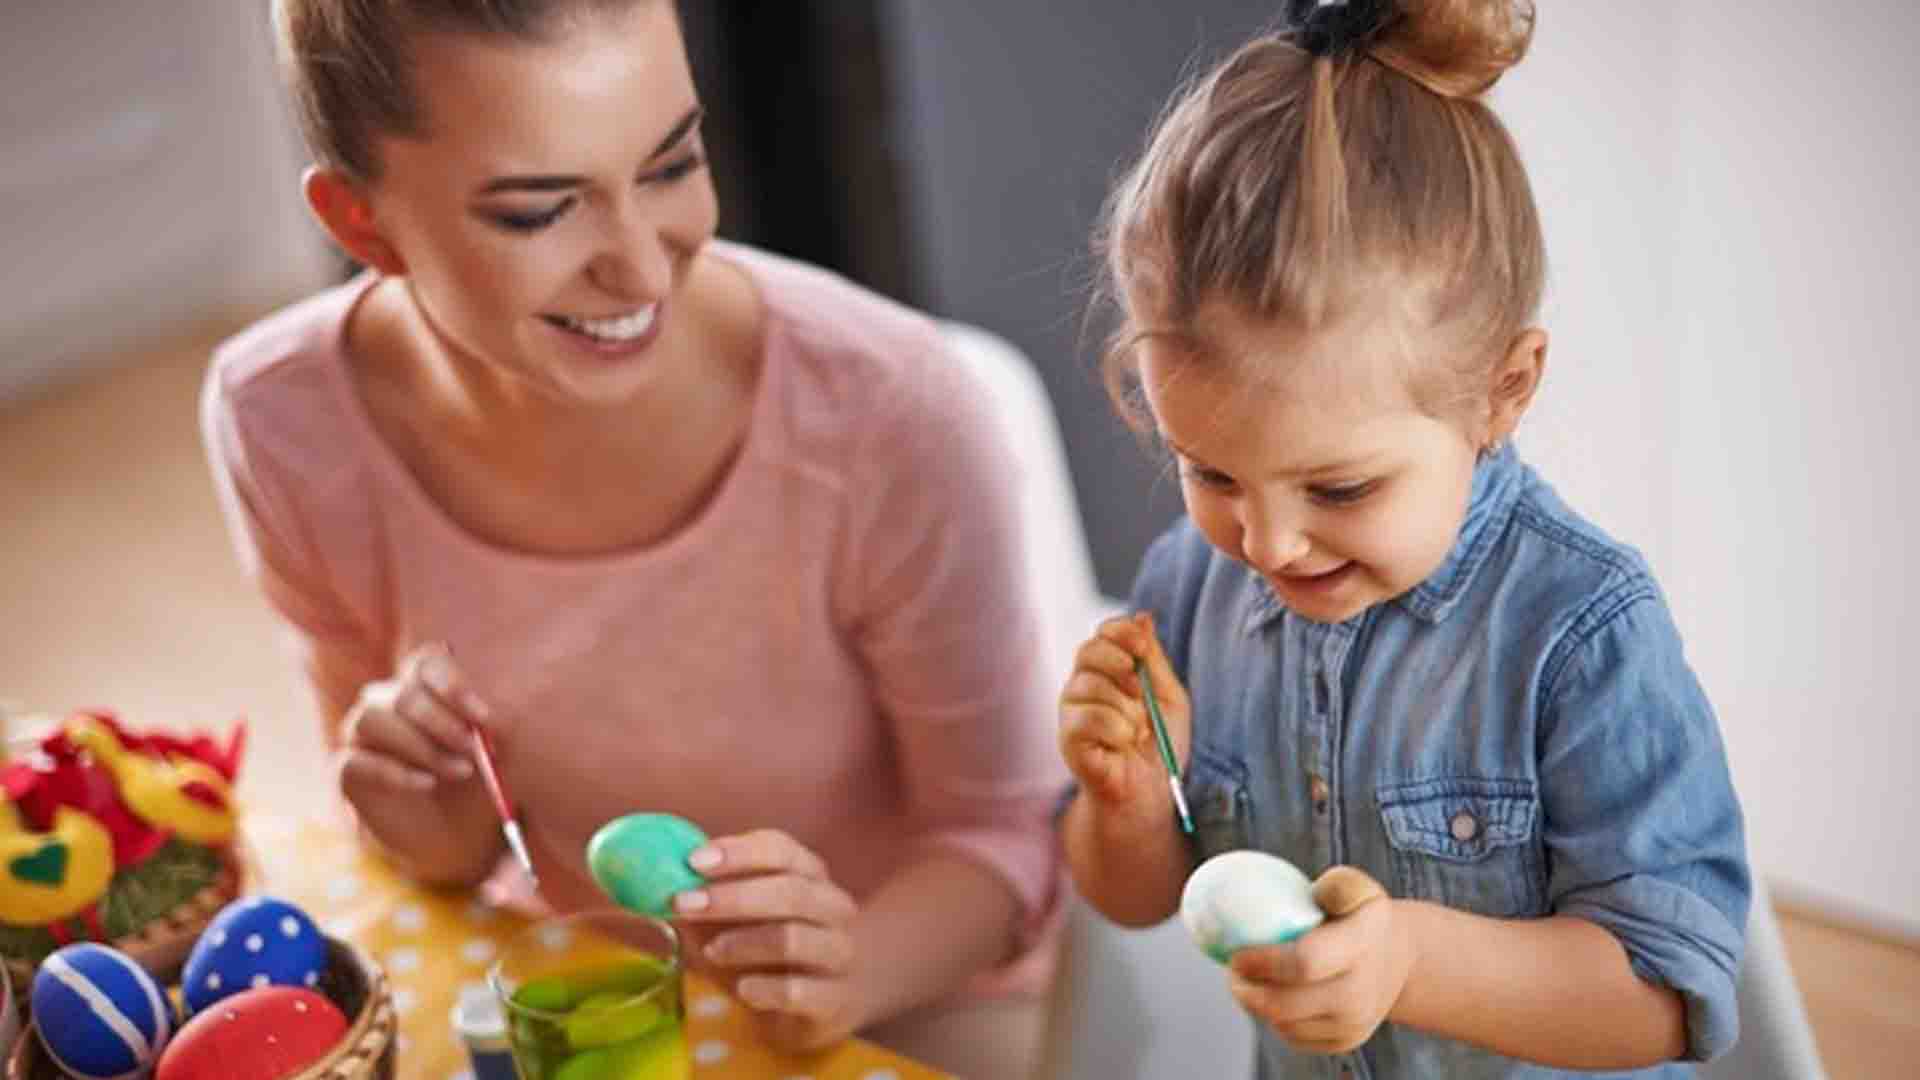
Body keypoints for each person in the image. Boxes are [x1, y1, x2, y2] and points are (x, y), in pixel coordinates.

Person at [201, 1, 1063, 1072]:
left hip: (908, 998)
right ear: (362, 225)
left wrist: (841, 971)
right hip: (583, 994)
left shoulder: (890, 415)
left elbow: (1005, 844)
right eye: (537, 213)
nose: (644, 273)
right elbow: (429, 858)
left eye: (671, 164)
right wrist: (430, 817)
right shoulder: (282, 418)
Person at [1057, 1, 1749, 1076]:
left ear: (1501, 392)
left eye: (1339, 486)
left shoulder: (1580, 632)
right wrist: (1133, 804)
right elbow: (1134, 902)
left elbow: (1668, 997)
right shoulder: (1190, 588)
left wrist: (1409, 964)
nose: (1271, 543)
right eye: (1212, 473)